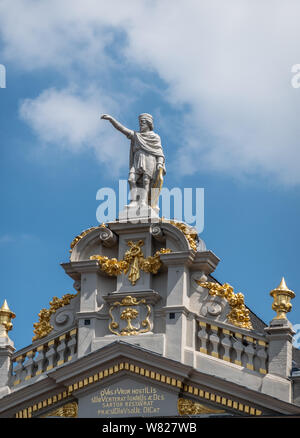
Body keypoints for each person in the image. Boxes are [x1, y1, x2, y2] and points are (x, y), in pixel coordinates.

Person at [101, 113, 166, 207]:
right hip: (137, 160)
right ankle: (134, 201)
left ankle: (143, 201)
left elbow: (159, 152)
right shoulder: (136, 135)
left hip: (149, 159)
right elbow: (122, 129)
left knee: (146, 180)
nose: (141, 125)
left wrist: (159, 163)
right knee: (131, 179)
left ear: (148, 123)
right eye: (140, 123)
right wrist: (111, 119)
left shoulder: (155, 137)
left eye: (143, 123)